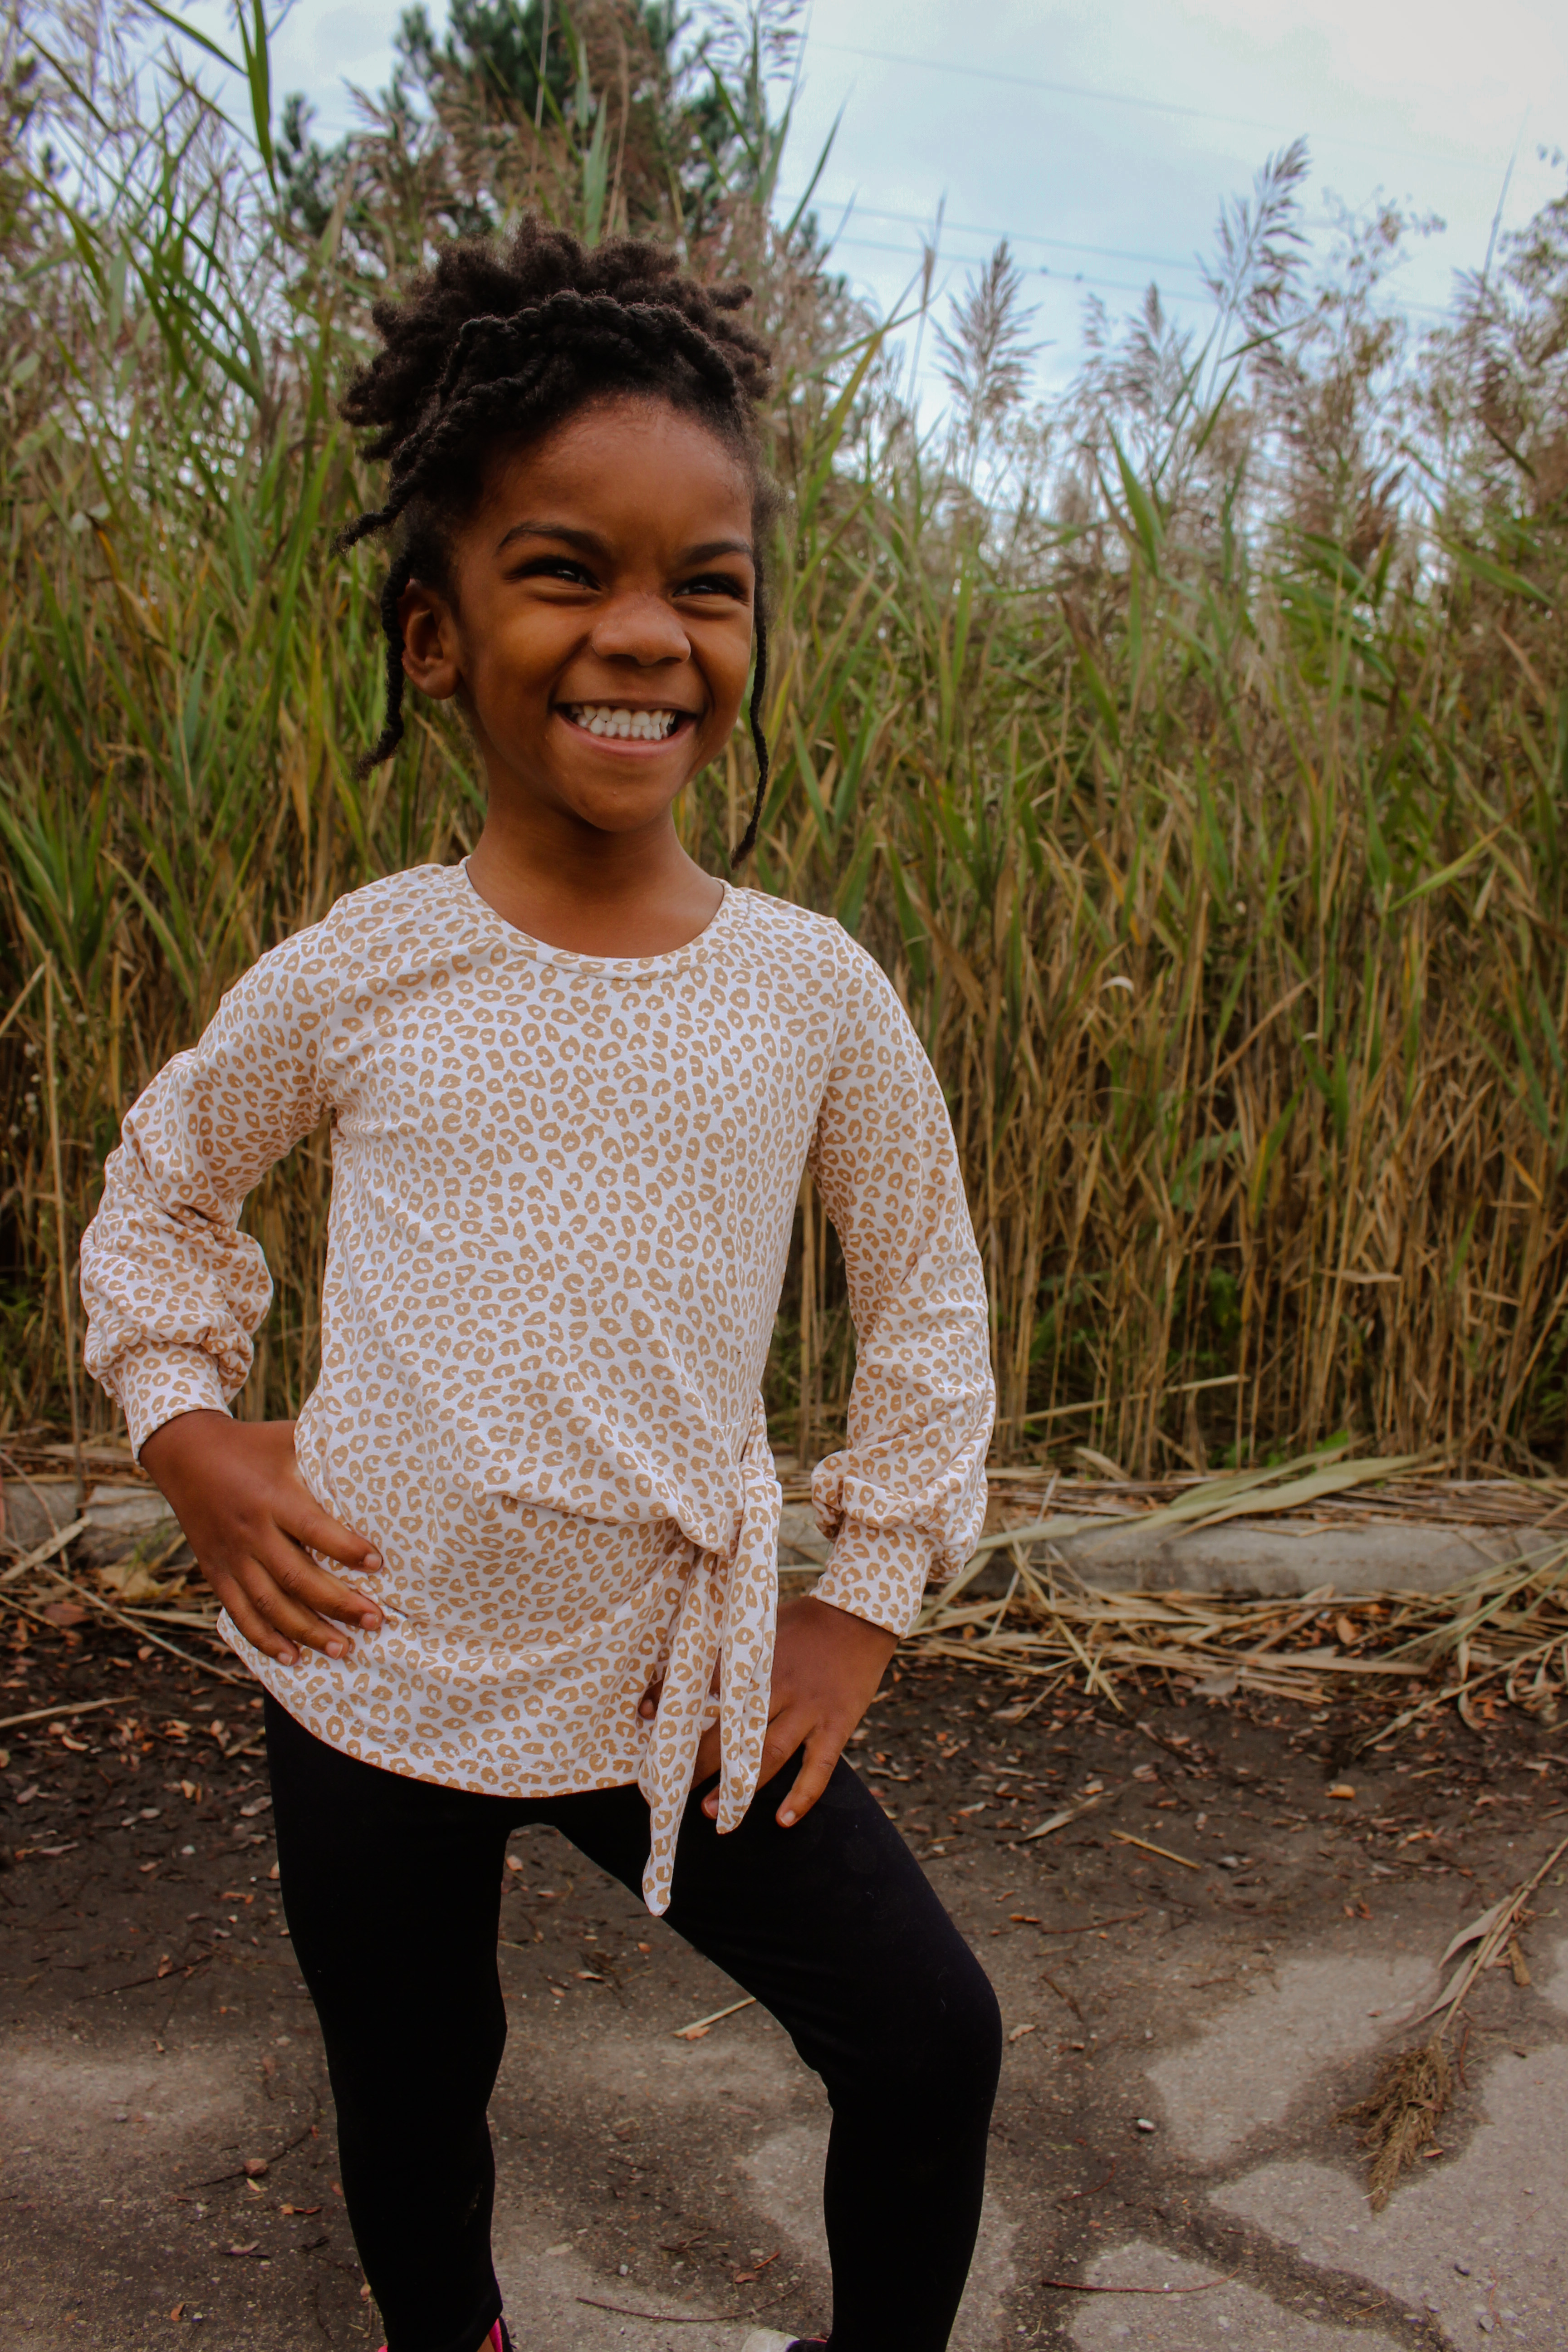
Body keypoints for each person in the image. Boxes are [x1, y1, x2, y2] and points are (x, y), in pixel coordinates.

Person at [79, 219, 1000, 2352]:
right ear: (436, 634)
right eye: (567, 570)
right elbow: (162, 1188)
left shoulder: (812, 993)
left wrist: (863, 1599)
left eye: (708, 584)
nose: (645, 632)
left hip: (672, 1668)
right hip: (370, 1656)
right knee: (416, 2099)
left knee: (930, 2038)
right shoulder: (367, 965)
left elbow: (929, 1294)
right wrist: (194, 1443)